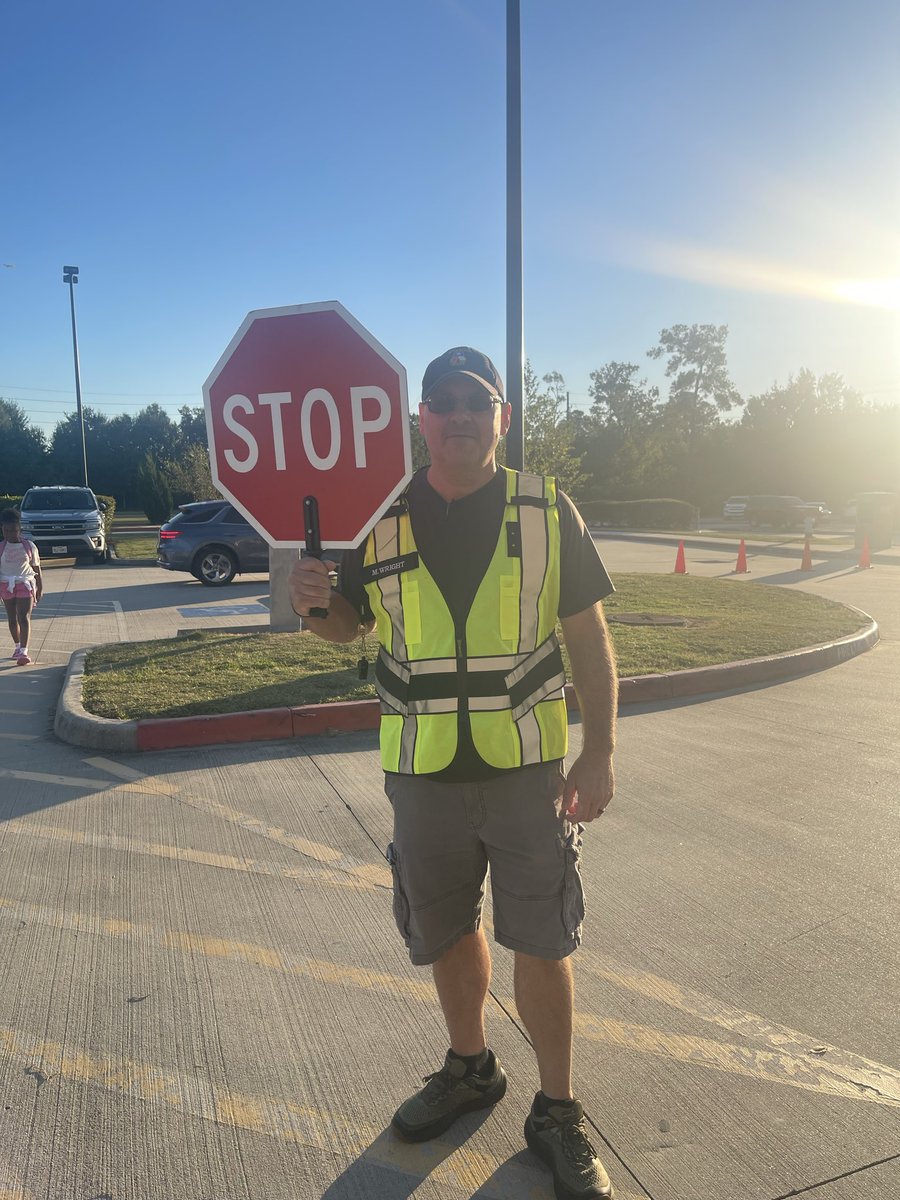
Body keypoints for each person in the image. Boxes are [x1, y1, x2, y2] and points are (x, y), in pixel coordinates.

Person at [290, 347, 618, 1199]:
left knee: (542, 938)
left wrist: (602, 748)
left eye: (477, 401)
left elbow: (587, 636)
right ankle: (470, 1067)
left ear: (501, 416)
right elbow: (347, 628)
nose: (459, 415)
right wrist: (311, 603)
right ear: (421, 418)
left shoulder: (548, 509)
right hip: (421, 771)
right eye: (442, 402)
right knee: (442, 927)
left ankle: (556, 1111)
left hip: (525, 768)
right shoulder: (381, 513)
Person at [0, 508, 43, 666]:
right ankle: (17, 646)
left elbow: (36, 568)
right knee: (12, 619)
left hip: (25, 584)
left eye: (13, 530)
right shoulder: (1, 547)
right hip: (6, 585)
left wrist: (40, 587)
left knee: (23, 617)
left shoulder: (29, 546)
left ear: (20, 529)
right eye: (6, 530)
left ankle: (24, 651)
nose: (10, 534)